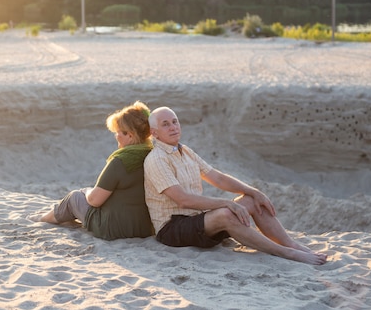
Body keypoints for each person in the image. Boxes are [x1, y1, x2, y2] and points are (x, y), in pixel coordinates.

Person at [143, 106, 328, 265]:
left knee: (252, 200)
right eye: (165, 124)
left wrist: (252, 191)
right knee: (225, 213)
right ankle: (285, 252)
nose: (173, 127)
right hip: (173, 228)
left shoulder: (186, 152)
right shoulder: (157, 159)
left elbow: (219, 179)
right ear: (154, 133)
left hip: (197, 221)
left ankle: (291, 245)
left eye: (174, 122)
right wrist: (226, 203)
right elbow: (183, 200)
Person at [39, 101, 154, 240]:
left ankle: (44, 219)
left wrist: (87, 192)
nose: (116, 136)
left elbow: (94, 201)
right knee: (87, 194)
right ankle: (59, 216)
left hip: (114, 229)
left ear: (130, 135)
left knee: (74, 197)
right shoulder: (153, 155)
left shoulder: (121, 161)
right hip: (145, 228)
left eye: (118, 132)